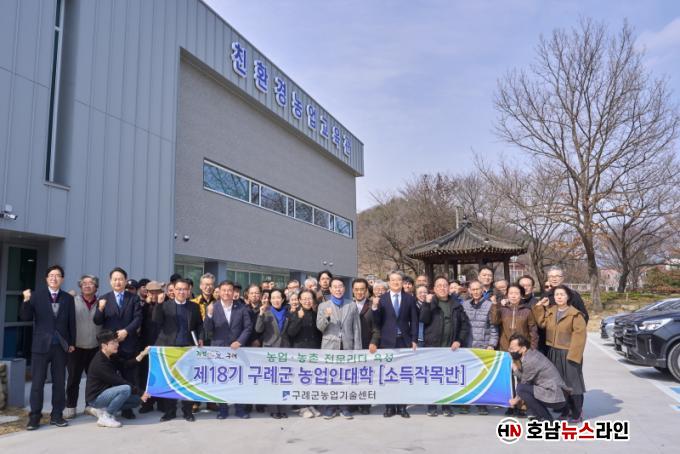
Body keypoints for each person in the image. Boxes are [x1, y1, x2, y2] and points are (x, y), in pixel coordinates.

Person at [21, 265, 76, 430]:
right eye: (51, 275)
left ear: (62, 279)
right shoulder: (36, 296)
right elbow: (25, 317)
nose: (54, 278)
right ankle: (34, 418)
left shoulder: (68, 298)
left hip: (61, 347)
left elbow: (71, 322)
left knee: (59, 383)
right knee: (37, 383)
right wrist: (25, 300)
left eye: (57, 275)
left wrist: (72, 343)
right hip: (40, 346)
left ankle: (57, 415)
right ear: (46, 278)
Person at [94, 267, 143, 420]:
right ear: (110, 281)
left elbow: (138, 318)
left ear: (125, 280)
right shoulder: (104, 298)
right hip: (109, 347)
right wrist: (100, 308)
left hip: (128, 343)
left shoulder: (133, 298)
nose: (118, 282)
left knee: (129, 376)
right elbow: (97, 321)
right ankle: (109, 407)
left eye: (120, 279)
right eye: (115, 279)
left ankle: (127, 409)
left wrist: (126, 331)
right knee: (110, 377)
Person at [533, 285, 587, 423]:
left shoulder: (576, 314)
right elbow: (541, 323)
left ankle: (577, 413)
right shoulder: (551, 311)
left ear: (568, 297)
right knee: (559, 384)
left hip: (569, 352)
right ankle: (565, 411)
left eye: (562, 294)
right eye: (557, 294)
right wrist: (539, 306)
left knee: (573, 384)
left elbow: (579, 337)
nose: (559, 297)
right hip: (553, 351)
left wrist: (573, 356)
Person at [153, 278, 203, 422]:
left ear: (189, 291)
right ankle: (170, 412)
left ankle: (188, 411)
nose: (181, 292)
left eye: (184, 289)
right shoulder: (165, 305)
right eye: (179, 289)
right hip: (170, 348)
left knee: (187, 381)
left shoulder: (194, 307)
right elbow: (156, 320)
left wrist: (200, 338)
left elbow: (200, 325)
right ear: (173, 291)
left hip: (188, 348)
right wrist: (158, 304)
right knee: (170, 381)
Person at [420, 276, 471, 417]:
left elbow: (464, 325)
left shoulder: (456, 304)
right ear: (434, 289)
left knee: (448, 378)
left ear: (449, 288)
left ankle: (446, 405)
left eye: (445, 285)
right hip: (433, 347)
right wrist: (426, 304)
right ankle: (432, 405)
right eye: (439, 285)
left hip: (451, 348)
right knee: (433, 377)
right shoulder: (430, 302)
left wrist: (459, 340)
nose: (442, 288)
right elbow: (423, 319)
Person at [370, 271, 418, 418]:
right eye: (393, 280)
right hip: (387, 342)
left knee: (403, 375)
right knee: (388, 375)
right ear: (389, 282)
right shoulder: (382, 299)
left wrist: (414, 339)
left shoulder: (409, 298)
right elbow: (377, 322)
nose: (396, 282)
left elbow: (414, 320)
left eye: (399, 280)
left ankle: (402, 407)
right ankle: (390, 407)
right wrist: (374, 308)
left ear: (402, 282)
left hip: (404, 341)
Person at [204, 280, 253, 419]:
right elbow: (207, 330)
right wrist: (209, 315)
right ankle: (223, 410)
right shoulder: (213, 307)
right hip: (219, 349)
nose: (226, 293)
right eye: (224, 290)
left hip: (237, 350)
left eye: (229, 290)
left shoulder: (241, 308)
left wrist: (240, 341)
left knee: (238, 380)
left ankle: (240, 409)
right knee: (221, 380)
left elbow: (248, 327)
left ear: (233, 292)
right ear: (219, 292)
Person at [85, 330, 151, 428]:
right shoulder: (100, 363)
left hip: (106, 393)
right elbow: (119, 381)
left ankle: (103, 410)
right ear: (104, 346)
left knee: (137, 400)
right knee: (125, 389)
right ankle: (106, 417)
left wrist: (142, 354)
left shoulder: (111, 356)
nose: (117, 345)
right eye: (113, 343)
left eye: (117, 342)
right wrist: (141, 392)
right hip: (96, 398)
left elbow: (126, 364)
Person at [317, 278, 362, 420]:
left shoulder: (352, 305)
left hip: (347, 347)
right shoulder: (323, 306)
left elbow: (356, 328)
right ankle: (330, 408)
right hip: (330, 347)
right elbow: (320, 327)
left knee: (346, 378)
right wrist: (327, 317)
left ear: (344, 288)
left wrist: (357, 350)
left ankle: (345, 408)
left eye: (340, 286)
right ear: (330, 289)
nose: (338, 289)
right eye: (335, 287)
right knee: (330, 378)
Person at [507, 334, 570, 422]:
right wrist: (515, 368)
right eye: (509, 348)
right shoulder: (531, 353)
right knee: (526, 388)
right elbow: (526, 377)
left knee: (521, 389)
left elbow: (524, 382)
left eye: (513, 349)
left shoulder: (530, 361)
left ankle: (547, 419)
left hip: (556, 396)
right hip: (559, 393)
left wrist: (515, 400)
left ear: (523, 349)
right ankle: (540, 415)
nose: (510, 351)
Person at [65, 274, 102, 419]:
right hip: (76, 347)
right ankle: (70, 406)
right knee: (73, 379)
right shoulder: (72, 301)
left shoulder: (101, 303)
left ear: (96, 287)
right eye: (84, 283)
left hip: (95, 347)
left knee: (93, 380)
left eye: (91, 283)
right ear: (80, 286)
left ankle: (90, 405)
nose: (87, 285)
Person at [461, 279, 499, 415]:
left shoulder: (490, 305)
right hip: (468, 346)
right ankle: (466, 403)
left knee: (482, 378)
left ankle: (482, 404)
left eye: (478, 289)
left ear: (483, 290)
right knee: (467, 377)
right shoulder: (464, 305)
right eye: (473, 289)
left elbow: (494, 328)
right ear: (469, 291)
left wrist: (491, 344)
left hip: (483, 346)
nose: (476, 292)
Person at [287, 289, 323, 418]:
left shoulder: (316, 314)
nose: (307, 301)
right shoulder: (294, 314)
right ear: (300, 300)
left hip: (314, 351)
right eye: (304, 299)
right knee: (301, 379)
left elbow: (319, 333)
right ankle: (302, 406)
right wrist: (299, 319)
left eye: (310, 298)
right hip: (299, 352)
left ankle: (310, 404)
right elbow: (290, 333)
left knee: (311, 379)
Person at [255, 288, 290, 419]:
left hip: (285, 349)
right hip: (269, 350)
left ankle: (283, 408)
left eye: (278, 297)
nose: (276, 300)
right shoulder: (266, 313)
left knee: (284, 380)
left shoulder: (288, 313)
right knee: (271, 380)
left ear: (283, 299)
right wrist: (260, 314)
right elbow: (258, 329)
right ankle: (273, 409)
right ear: (270, 300)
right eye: (273, 298)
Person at [352, 278, 378, 415]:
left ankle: (365, 404)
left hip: (367, 347)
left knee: (365, 376)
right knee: (352, 377)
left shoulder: (373, 306)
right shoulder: (348, 305)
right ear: (352, 290)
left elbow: (377, 328)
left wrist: (374, 342)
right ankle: (353, 404)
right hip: (351, 348)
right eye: (356, 289)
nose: (359, 292)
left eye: (362, 289)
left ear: (366, 290)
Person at [137, 281, 163, 414]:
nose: (154, 295)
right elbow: (138, 320)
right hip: (145, 344)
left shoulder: (165, 304)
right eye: (151, 292)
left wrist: (159, 303)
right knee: (146, 375)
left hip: (161, 344)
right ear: (146, 293)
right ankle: (147, 403)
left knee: (161, 374)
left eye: (156, 292)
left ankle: (162, 402)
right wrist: (146, 304)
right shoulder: (143, 306)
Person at [490, 284, 538, 351]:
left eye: (516, 293)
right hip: (505, 346)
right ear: (507, 295)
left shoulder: (527, 311)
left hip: (522, 347)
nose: (513, 296)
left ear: (521, 295)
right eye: (511, 293)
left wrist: (533, 348)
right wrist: (495, 304)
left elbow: (533, 331)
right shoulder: (502, 309)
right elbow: (494, 321)